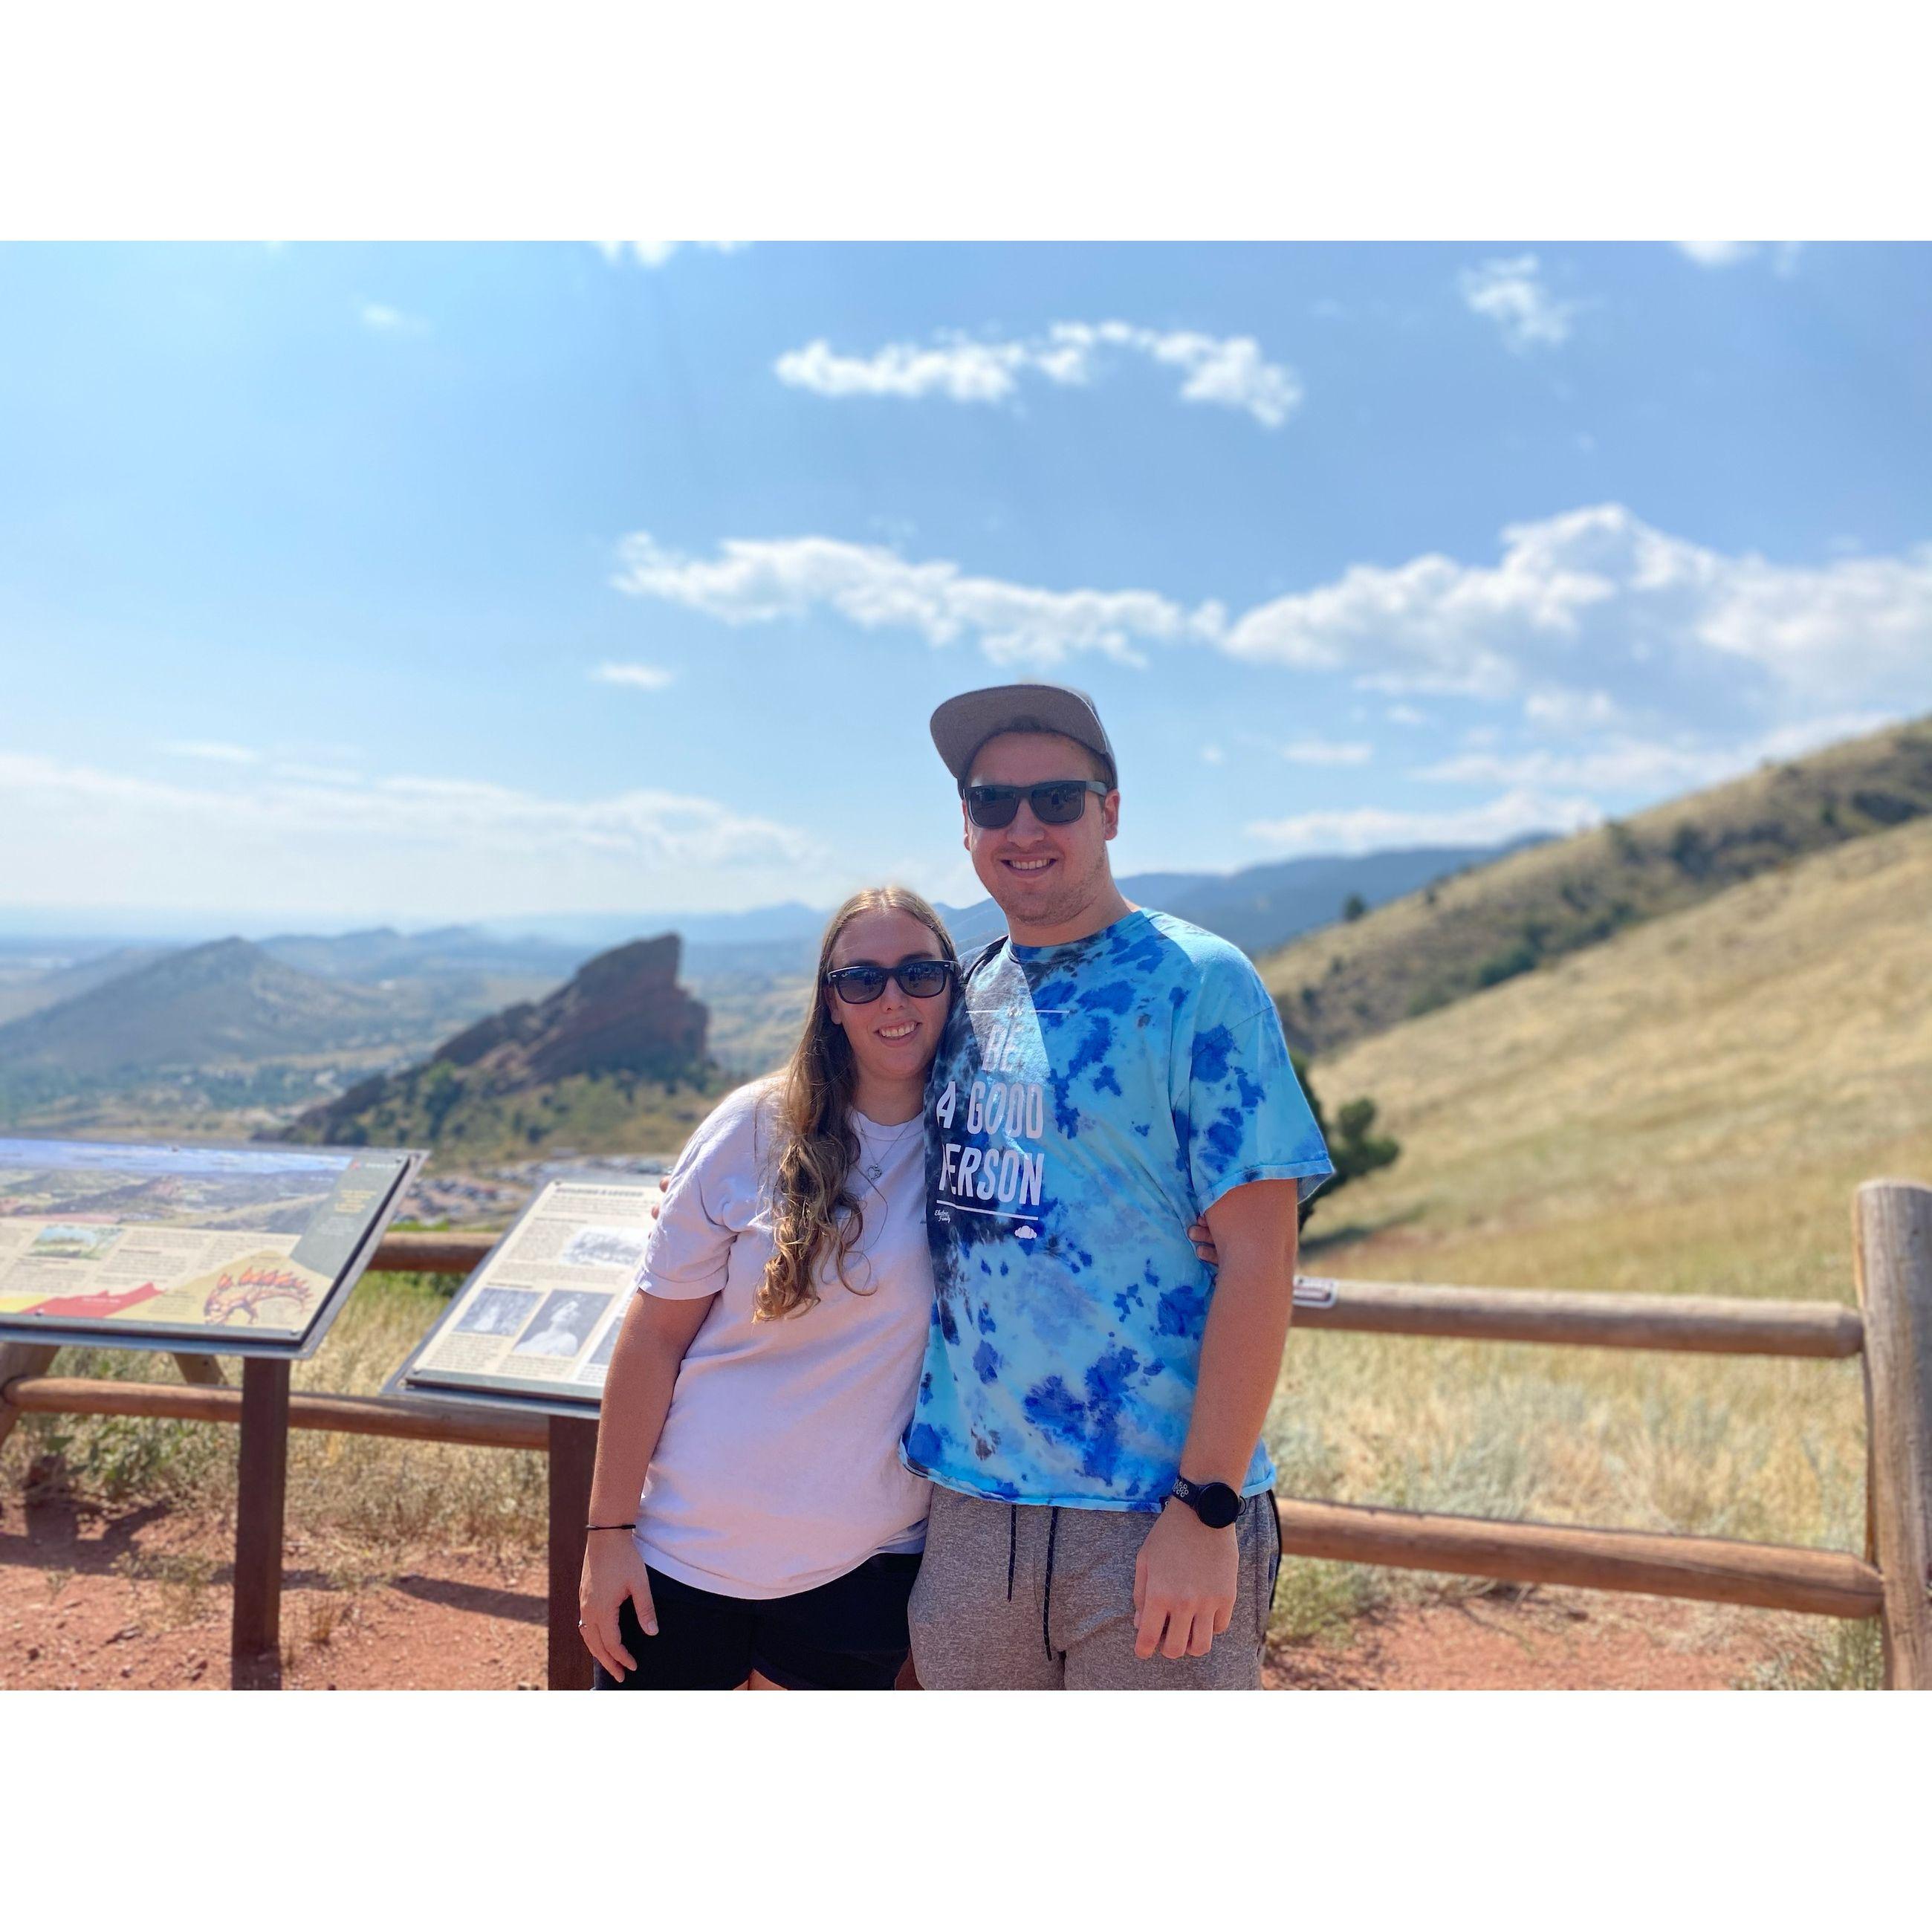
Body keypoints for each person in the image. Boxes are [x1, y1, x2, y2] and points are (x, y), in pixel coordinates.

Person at [903, 680, 1335, 1690]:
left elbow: (1262, 1255)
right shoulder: (963, 990)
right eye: (991, 803)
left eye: (1057, 799)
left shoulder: (1199, 982)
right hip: (968, 1511)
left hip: (1151, 1515)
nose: (1024, 826)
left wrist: (1207, 1508)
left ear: (1109, 812)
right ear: (964, 826)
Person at [577, 886, 954, 1690]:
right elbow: (652, 1336)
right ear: (831, 1000)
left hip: (858, 1569)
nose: (893, 996)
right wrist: (607, 1530)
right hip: (681, 1554)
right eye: (863, 979)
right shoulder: (750, 1126)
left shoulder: (981, 1147)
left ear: (953, 985)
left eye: (920, 972)